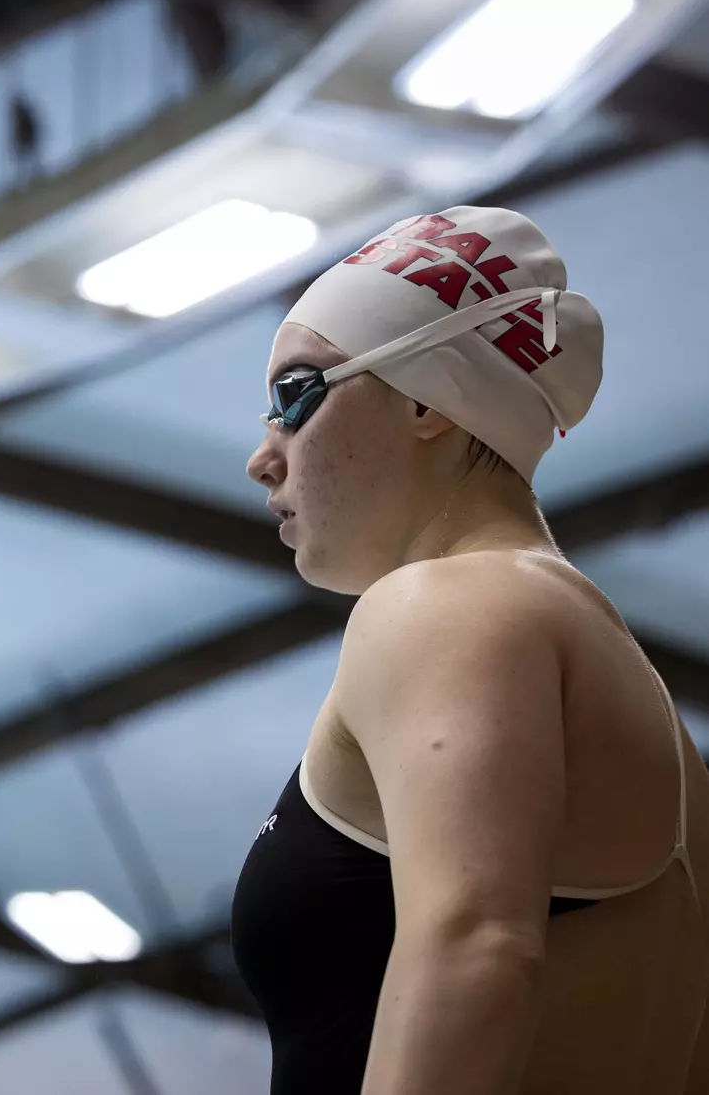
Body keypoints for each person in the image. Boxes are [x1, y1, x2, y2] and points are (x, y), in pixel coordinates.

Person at [229, 205, 709, 1094]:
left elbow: (476, 946)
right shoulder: (655, 720)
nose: (264, 455)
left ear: (426, 398)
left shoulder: (443, 607)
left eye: (297, 395)